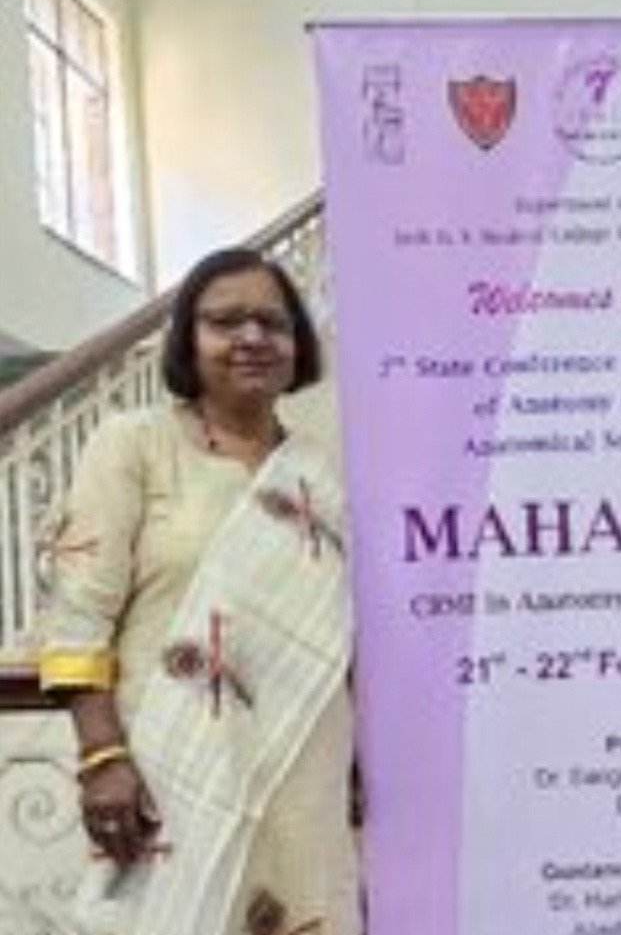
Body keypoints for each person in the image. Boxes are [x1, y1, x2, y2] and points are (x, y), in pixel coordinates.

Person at [38, 248, 360, 935]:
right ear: (187, 339)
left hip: (303, 773)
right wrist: (102, 758)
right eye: (225, 321)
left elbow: (349, 634)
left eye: (273, 322)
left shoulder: (325, 476)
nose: (252, 337)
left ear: (298, 344)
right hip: (167, 771)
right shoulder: (134, 445)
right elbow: (78, 617)